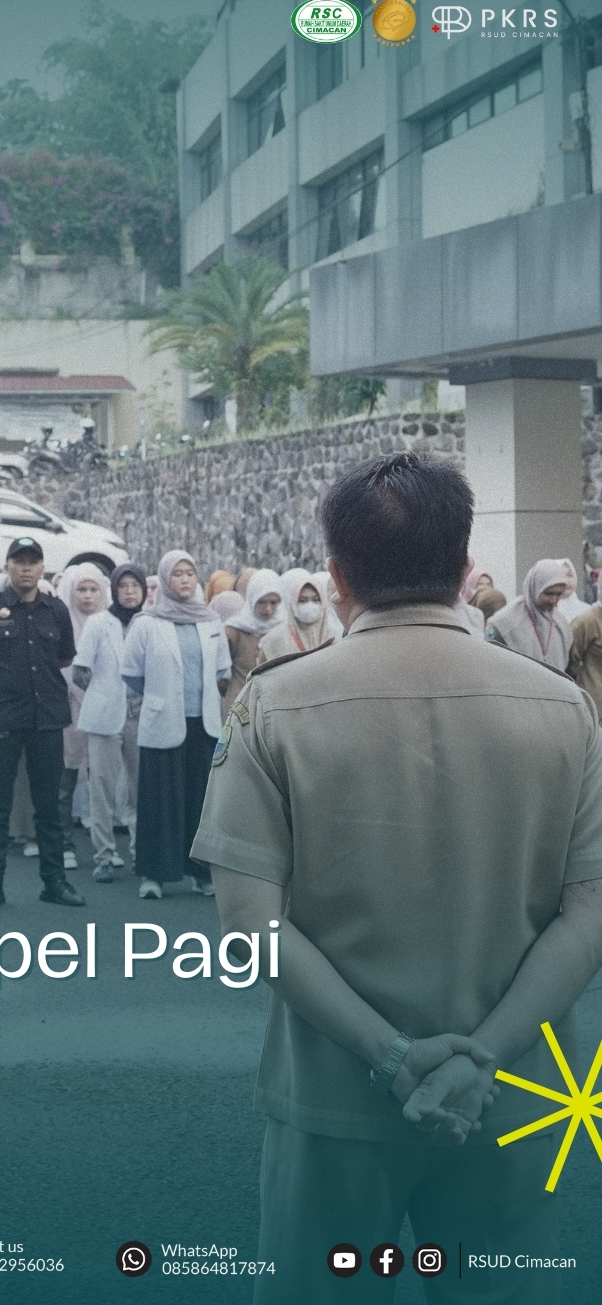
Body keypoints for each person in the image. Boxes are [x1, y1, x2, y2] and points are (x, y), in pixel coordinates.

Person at [192, 453, 602, 1303]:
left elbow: (248, 925)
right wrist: (482, 1059)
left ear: (337, 576)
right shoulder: (565, 708)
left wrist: (394, 1057)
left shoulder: (272, 705)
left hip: (336, 1098)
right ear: (464, 569)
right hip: (516, 1094)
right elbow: (589, 912)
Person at [0, 536, 85, 910]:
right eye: (19, 561)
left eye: (32, 561)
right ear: (7, 566)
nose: (26, 568)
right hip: (4, 715)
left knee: (49, 806)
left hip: (46, 716)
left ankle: (54, 882)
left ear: (42, 567)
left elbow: (64, 657)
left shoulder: (56, 610)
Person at [121, 550, 231, 899]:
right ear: (165, 579)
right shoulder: (146, 623)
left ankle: (201, 874)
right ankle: (153, 875)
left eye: (190, 573)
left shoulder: (211, 621)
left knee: (201, 801)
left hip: (204, 724)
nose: (184, 579)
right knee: (158, 801)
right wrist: (161, 695)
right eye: (177, 574)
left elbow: (222, 671)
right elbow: (131, 673)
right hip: (163, 721)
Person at [72, 563, 146, 883]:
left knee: (140, 788)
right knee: (101, 785)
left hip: (142, 716)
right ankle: (103, 853)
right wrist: (105, 693)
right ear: (114, 590)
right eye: (123, 586)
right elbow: (80, 671)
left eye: (135, 585)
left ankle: (140, 851)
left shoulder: (151, 622)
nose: (129, 591)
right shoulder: (99, 622)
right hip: (105, 716)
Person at [57, 563, 110, 870]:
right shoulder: (62, 623)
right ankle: (65, 844)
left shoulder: (111, 624)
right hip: (69, 710)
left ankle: (105, 847)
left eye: (94, 590)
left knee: (102, 779)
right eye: (81, 589)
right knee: (65, 779)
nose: (88, 596)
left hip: (104, 708)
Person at [486, 559, 573, 670]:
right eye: (549, 593)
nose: (553, 600)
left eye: (559, 594)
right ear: (535, 588)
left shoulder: (561, 625)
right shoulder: (505, 622)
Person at [220, 568, 285, 709]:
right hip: (240, 703)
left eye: (273, 602)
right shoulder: (234, 630)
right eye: (261, 602)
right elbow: (221, 673)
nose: (268, 609)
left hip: (273, 703)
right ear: (251, 598)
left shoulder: (283, 628)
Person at [255, 569, 335, 664]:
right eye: (302, 600)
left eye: (316, 599)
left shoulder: (335, 637)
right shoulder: (273, 640)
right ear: (293, 604)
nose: (310, 604)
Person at [556, 557, 591, 623]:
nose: (568, 580)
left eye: (570, 575)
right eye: (562, 576)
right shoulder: (547, 611)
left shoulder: (587, 610)